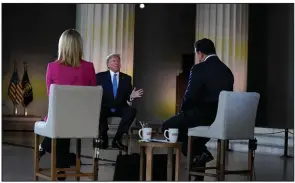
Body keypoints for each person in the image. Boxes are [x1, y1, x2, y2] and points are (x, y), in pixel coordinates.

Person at [162, 38, 234, 177]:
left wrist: (183, 112)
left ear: (199, 53)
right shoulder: (227, 70)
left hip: (202, 116)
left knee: (167, 126)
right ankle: (199, 158)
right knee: (196, 142)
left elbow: (191, 95)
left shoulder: (199, 68)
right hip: (221, 119)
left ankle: (201, 154)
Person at [38, 29, 96, 181]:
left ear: (61, 46)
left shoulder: (52, 67)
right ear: (79, 46)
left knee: (59, 120)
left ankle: (47, 148)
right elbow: (92, 97)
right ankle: (62, 165)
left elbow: (51, 97)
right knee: (66, 121)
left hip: (59, 119)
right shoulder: (89, 67)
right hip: (83, 121)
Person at [96, 54, 144, 151]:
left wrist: (131, 97)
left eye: (118, 61)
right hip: (105, 106)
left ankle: (117, 139)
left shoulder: (126, 78)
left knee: (131, 111)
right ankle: (103, 137)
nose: (116, 63)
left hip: (120, 106)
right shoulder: (100, 76)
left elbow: (128, 96)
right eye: (114, 61)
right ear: (108, 64)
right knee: (99, 111)